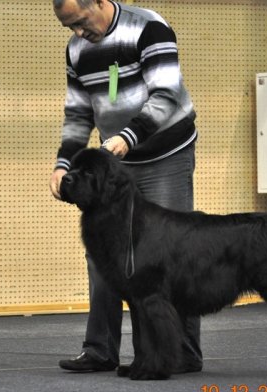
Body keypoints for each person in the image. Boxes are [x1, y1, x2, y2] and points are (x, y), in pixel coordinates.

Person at [49, 0, 203, 373]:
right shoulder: (77, 49)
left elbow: (165, 94)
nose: (78, 33)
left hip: (166, 152)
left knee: (170, 252)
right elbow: (79, 113)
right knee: (101, 250)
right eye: (69, 27)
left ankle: (179, 352)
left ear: (100, 2)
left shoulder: (149, 28)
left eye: (81, 22)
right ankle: (100, 350)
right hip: (117, 162)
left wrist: (129, 136)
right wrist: (63, 163)